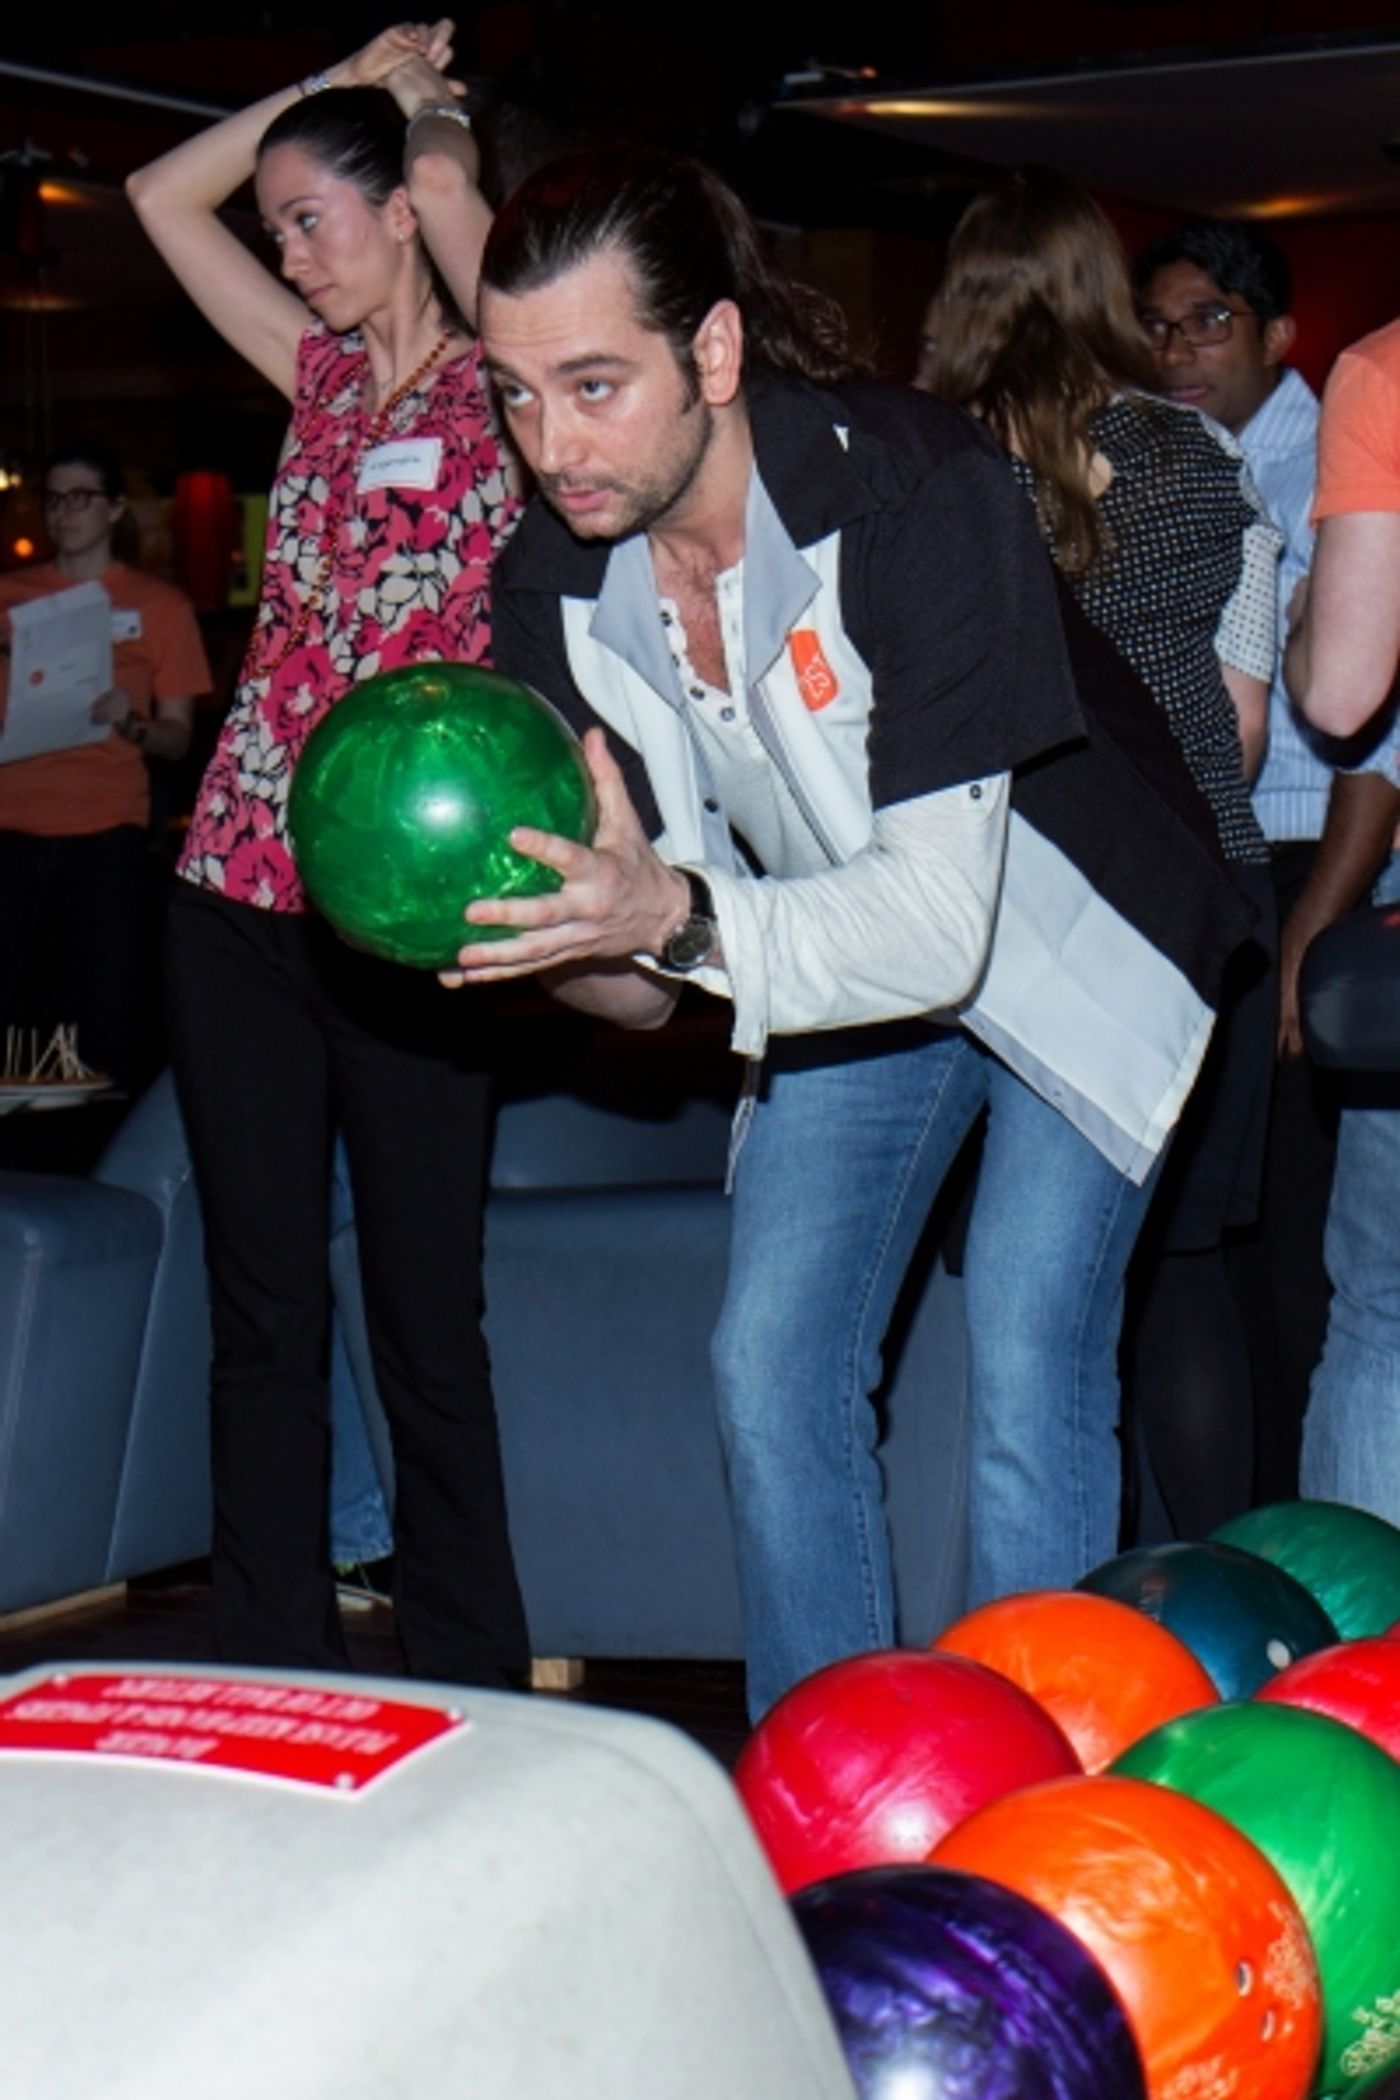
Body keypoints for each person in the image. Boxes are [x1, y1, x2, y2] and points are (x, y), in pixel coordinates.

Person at [427, 144, 1250, 1720]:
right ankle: (838, 1764)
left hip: (1070, 937)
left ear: (714, 351)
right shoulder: (555, 582)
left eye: (594, 386)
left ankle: (1043, 1775)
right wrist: (549, 934)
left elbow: (934, 927)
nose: (552, 448)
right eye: (517, 397)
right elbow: (646, 985)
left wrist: (670, 920)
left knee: (1027, 1347)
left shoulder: (918, 487)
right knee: (770, 1362)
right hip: (832, 946)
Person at [126, 20, 529, 1683]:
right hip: (236, 890)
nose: (289, 252)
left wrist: (421, 110)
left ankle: (477, 1683)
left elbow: (464, 211)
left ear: (404, 207)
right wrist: (327, 81)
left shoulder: (510, 374)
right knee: (262, 1311)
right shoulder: (315, 376)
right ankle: (266, 1668)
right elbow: (158, 196)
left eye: (312, 219)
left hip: (413, 914)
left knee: (428, 1320)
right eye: (278, 228)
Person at [925, 168, 1281, 1545]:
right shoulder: (1203, 458)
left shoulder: (926, 474)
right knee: (1177, 1274)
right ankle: (1214, 1604)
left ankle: (1079, 1600)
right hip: (1194, 904)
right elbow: (1238, 731)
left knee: (1041, 1302)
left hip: (1004, 908)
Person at [1135, 217, 1400, 1501]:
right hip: (1224, 879)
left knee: (1335, 1278)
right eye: (1158, 326)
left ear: (1276, 335)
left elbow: (1360, 730)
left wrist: (1312, 926)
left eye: (1210, 321)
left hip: (1322, 873)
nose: (1179, 350)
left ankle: (1318, 1567)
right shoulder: (1166, 462)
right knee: (1231, 1240)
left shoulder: (1353, 414)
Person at [1284, 317, 1400, 1526]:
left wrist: (1309, 609)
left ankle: (1374, 1637)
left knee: (1385, 1315)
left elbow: (1339, 694)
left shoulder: (1381, 374)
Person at [0, 441, 208, 1088]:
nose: (63, 513)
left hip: (105, 828)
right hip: (8, 824)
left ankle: (97, 1134)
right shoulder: (9, 596)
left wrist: (132, 723)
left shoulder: (160, 606)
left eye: (80, 498)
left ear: (115, 509)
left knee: (105, 1015)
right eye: (54, 500)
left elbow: (178, 739)